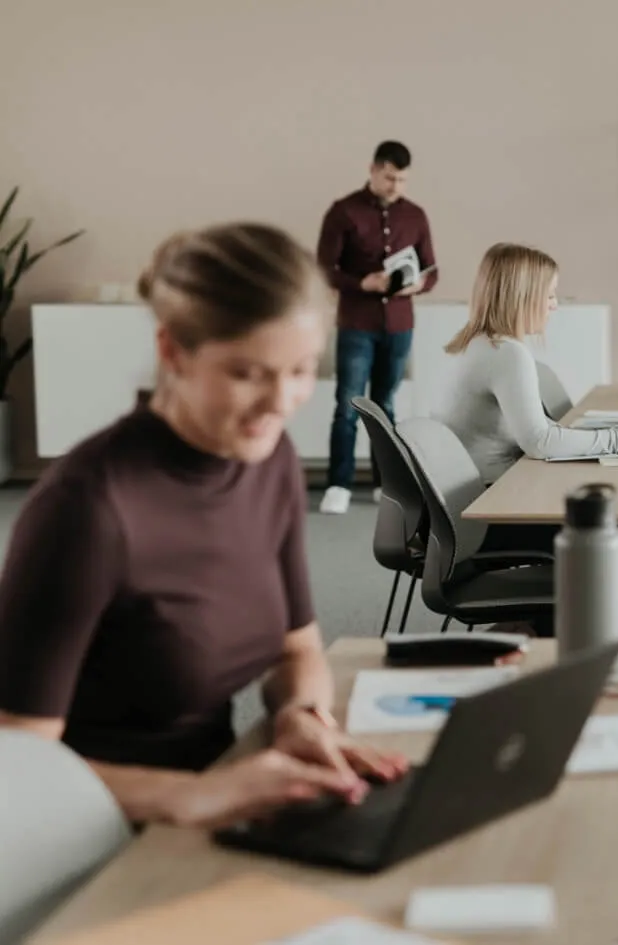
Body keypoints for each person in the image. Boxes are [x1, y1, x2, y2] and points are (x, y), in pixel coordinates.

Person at [0, 223, 408, 828]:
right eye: (248, 373)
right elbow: (17, 767)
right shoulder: (87, 507)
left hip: (219, 801)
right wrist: (193, 797)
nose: (282, 402)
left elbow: (296, 649)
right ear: (173, 352)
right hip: (85, 843)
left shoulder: (271, 462)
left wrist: (300, 716)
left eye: (300, 370)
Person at [435, 242, 618, 556]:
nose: (555, 305)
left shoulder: (479, 343)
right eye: (550, 295)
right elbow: (540, 442)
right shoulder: (506, 354)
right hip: (484, 514)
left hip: (467, 503)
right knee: (610, 552)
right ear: (523, 297)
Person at [317, 140, 438, 515]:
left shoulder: (415, 215)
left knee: (385, 407)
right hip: (357, 323)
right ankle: (339, 484)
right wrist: (362, 283)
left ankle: (385, 484)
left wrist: (420, 285)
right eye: (389, 177)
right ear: (373, 169)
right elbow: (324, 270)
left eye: (402, 180)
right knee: (348, 405)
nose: (395, 186)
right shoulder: (343, 212)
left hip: (400, 324)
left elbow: (432, 269)